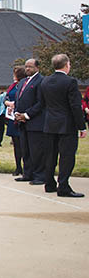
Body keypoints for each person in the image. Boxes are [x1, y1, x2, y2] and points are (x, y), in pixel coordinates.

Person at [39, 54, 87, 197]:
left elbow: (42, 103)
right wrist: (81, 126)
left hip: (49, 123)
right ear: (66, 65)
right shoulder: (70, 82)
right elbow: (75, 106)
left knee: (50, 155)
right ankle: (63, 186)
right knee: (67, 156)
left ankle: (49, 183)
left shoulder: (45, 81)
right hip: (66, 124)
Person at [3, 67, 24, 176]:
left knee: (23, 144)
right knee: (16, 144)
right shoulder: (12, 86)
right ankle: (18, 166)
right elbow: (5, 97)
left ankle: (26, 166)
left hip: (20, 116)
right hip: (11, 117)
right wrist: (8, 103)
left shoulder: (23, 85)